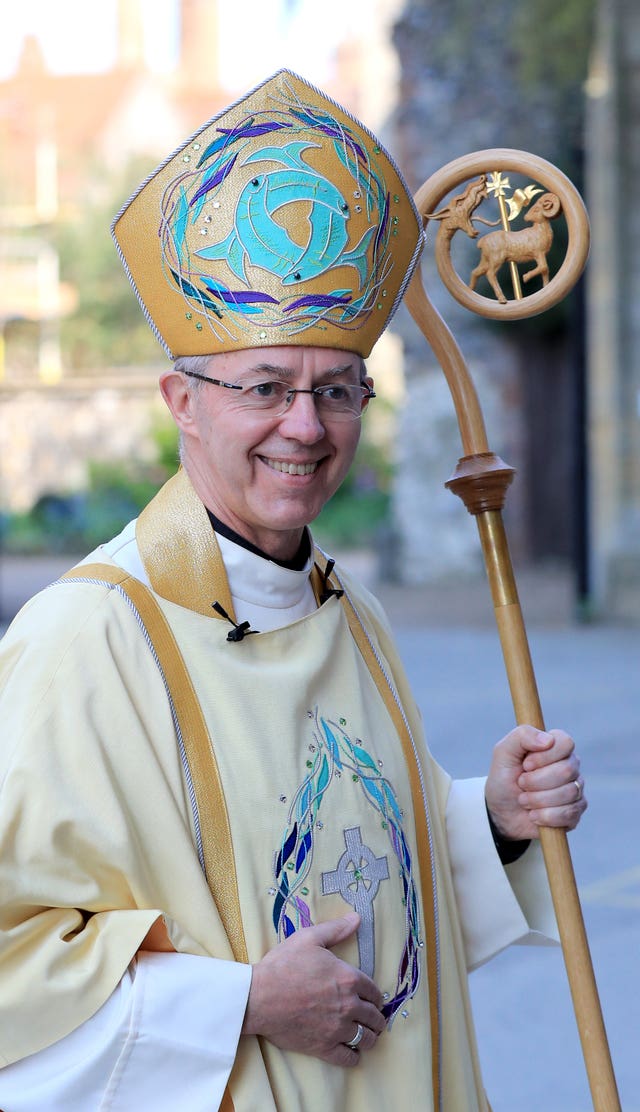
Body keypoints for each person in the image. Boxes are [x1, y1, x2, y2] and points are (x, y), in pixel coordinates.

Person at [0, 69, 586, 1111]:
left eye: (337, 389)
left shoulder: (345, 611)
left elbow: (351, 878)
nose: (305, 427)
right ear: (181, 398)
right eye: (265, 387)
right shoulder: (83, 639)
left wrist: (488, 819)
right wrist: (238, 1003)